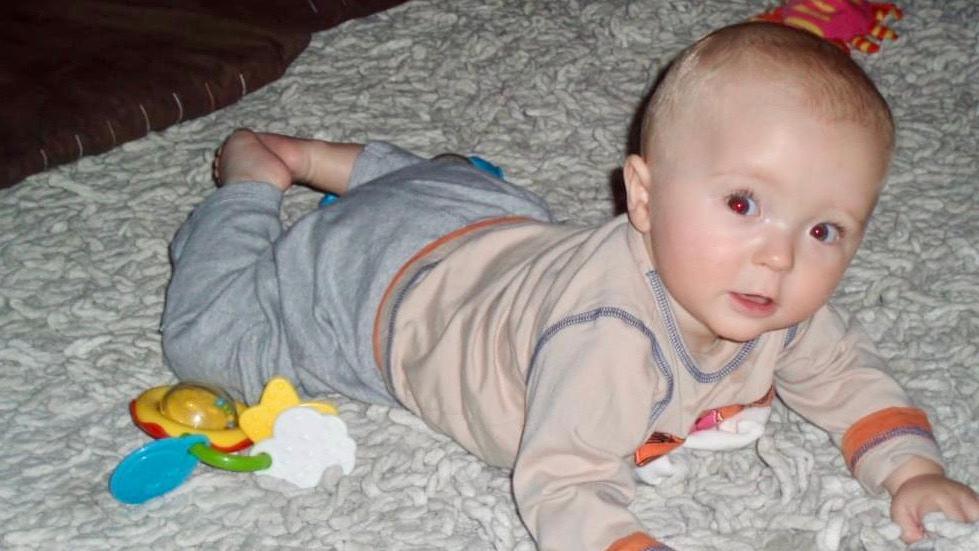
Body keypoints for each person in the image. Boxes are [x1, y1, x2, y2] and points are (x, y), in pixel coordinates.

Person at [161, 22, 979, 551]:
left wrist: (908, 468)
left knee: (472, 191)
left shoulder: (776, 302)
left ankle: (325, 159)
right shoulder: (607, 340)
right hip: (373, 297)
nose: (779, 257)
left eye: (823, 230)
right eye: (742, 204)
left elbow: (844, 376)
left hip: (485, 221)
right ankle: (257, 178)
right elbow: (562, 479)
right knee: (210, 346)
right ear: (643, 196)